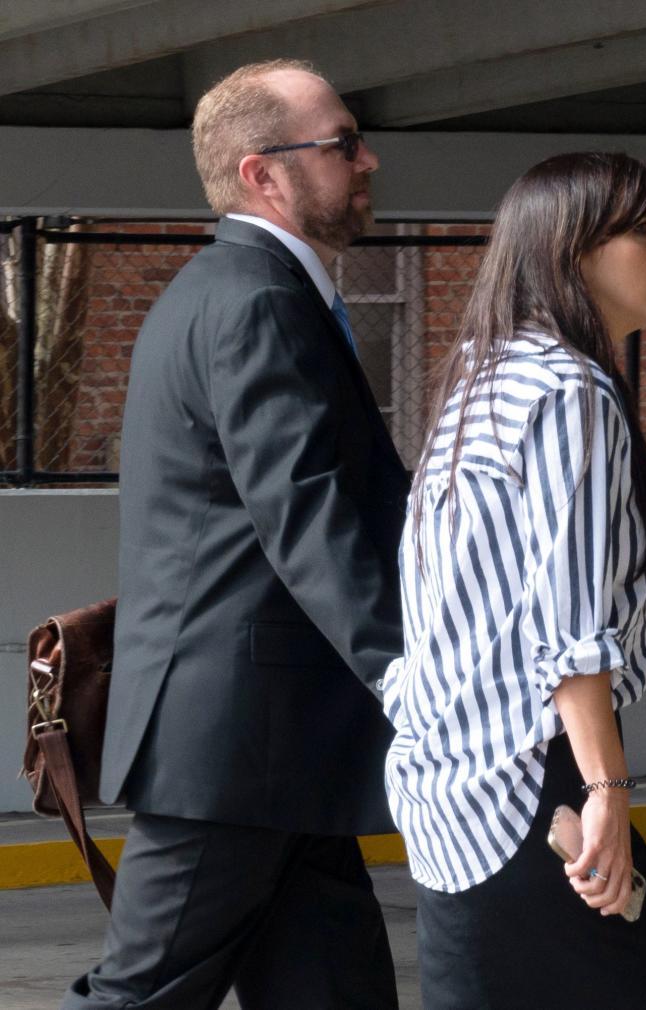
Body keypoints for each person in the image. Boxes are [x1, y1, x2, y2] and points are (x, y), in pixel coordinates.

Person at [63, 60, 409, 1009]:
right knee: (141, 995)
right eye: (341, 145)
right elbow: (307, 513)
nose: (367, 158)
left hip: (285, 745)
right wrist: (411, 676)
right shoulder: (255, 299)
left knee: (335, 992)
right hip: (235, 748)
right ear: (263, 172)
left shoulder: (247, 289)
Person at [382, 151, 646, 1009]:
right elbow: (568, 625)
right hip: (531, 787)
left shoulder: (484, 376)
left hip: (455, 788)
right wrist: (607, 791)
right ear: (576, 249)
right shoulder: (568, 391)